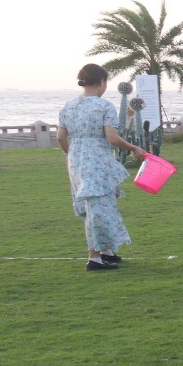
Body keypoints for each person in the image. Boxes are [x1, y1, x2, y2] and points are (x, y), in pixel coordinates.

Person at [57, 64, 146, 271]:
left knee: (95, 206)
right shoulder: (104, 106)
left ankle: (106, 251)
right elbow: (112, 138)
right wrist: (134, 148)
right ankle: (94, 257)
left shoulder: (68, 106)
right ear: (102, 82)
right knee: (99, 207)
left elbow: (60, 137)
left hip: (76, 160)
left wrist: (70, 153)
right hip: (97, 160)